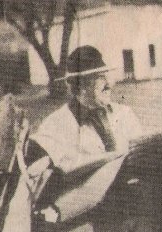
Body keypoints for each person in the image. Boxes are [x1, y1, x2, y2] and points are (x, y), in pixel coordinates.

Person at [32, 45, 143, 174]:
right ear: (81, 85)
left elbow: (140, 156)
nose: (108, 84)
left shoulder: (125, 114)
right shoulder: (54, 126)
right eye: (100, 77)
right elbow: (62, 173)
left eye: (106, 75)